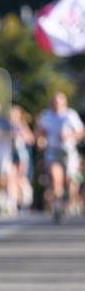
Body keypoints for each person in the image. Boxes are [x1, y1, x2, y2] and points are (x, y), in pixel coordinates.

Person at [37, 92, 85, 223]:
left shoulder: (70, 115)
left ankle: (70, 201)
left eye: (59, 102)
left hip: (68, 151)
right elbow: (40, 133)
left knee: (71, 180)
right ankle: (57, 207)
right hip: (52, 150)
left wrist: (69, 136)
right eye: (54, 102)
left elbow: (81, 131)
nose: (56, 105)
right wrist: (41, 141)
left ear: (65, 103)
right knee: (55, 177)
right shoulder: (46, 115)